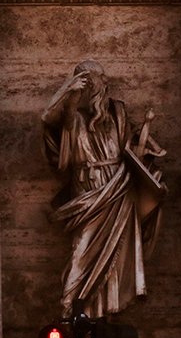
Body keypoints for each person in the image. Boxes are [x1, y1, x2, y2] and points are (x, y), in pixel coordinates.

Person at [43, 60, 165, 316]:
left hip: (118, 188)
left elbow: (131, 149)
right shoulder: (73, 117)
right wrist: (67, 91)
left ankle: (102, 317)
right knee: (82, 251)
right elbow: (47, 120)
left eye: (96, 78)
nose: (94, 85)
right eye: (85, 79)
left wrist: (147, 155)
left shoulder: (117, 113)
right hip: (87, 193)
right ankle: (72, 309)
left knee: (116, 258)